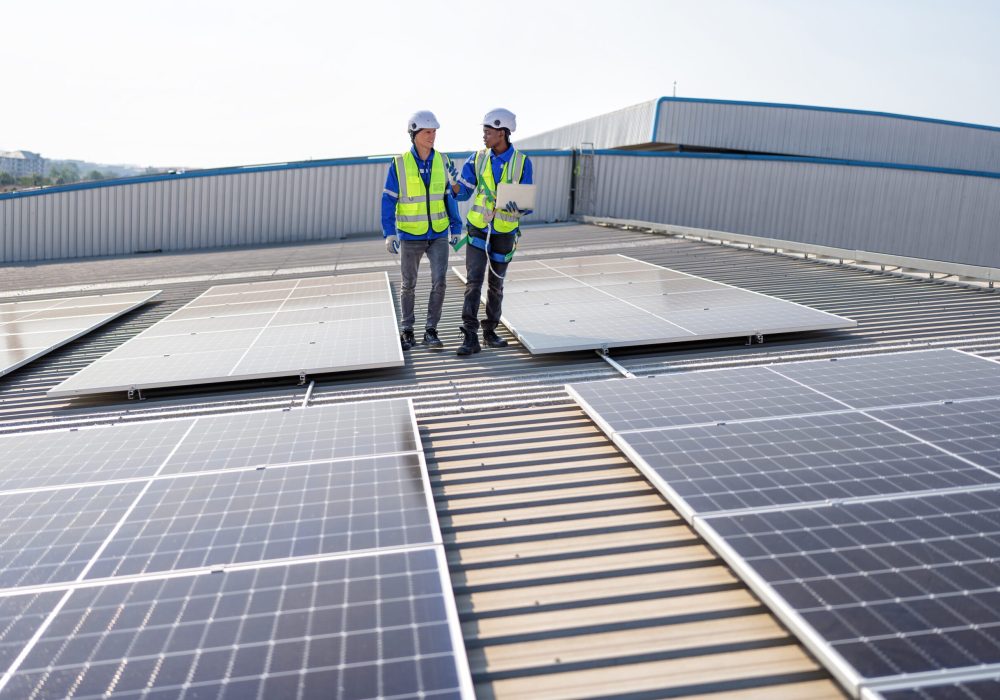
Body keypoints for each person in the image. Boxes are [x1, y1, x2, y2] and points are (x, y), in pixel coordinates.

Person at [451, 108, 534, 356]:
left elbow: (525, 203)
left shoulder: (522, 162)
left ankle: (490, 332)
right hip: (478, 229)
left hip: (504, 233)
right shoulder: (477, 159)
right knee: (473, 283)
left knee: (496, 285)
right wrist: (452, 184)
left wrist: (517, 208)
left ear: (502, 132)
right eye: (484, 131)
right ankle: (469, 336)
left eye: (488, 131)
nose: (484, 136)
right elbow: (463, 191)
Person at [382, 110, 463, 350]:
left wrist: (456, 226)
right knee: (409, 285)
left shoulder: (444, 161)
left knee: (440, 282)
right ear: (414, 134)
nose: (432, 136)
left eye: (434, 132)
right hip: (410, 235)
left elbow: (450, 196)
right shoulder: (399, 164)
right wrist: (389, 232)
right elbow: (388, 199)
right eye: (428, 132)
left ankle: (431, 331)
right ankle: (407, 331)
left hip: (438, 232)